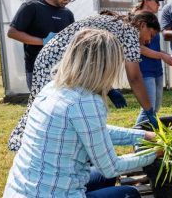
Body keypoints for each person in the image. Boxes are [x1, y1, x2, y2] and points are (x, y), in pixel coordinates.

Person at [3, 28, 161, 197]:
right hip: (53, 193)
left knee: (105, 178)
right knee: (129, 194)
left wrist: (144, 135)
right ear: (106, 66)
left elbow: (95, 131)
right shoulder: (86, 101)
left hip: (22, 190)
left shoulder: (53, 87)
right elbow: (110, 166)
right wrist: (155, 152)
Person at [8, 12, 160, 152]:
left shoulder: (118, 25)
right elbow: (134, 77)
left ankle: (45, 147)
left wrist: (109, 89)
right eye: (151, 35)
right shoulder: (130, 32)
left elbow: (95, 62)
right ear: (142, 25)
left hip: (52, 57)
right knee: (46, 111)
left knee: (48, 109)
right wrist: (148, 111)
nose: (149, 41)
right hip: (56, 62)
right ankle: (27, 145)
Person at [7, 0, 76, 90]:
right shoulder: (32, 7)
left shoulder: (68, 14)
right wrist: (43, 41)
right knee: (40, 105)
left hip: (61, 70)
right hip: (37, 69)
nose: (67, 1)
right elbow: (12, 32)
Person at [133, 0, 172, 125]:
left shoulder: (151, 19)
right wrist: (162, 56)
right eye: (156, 1)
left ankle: (147, 138)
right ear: (146, 1)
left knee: (155, 108)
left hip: (156, 69)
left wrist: (166, 55)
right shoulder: (136, 20)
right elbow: (138, 48)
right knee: (148, 109)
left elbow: (154, 47)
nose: (159, 5)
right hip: (144, 71)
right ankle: (137, 139)